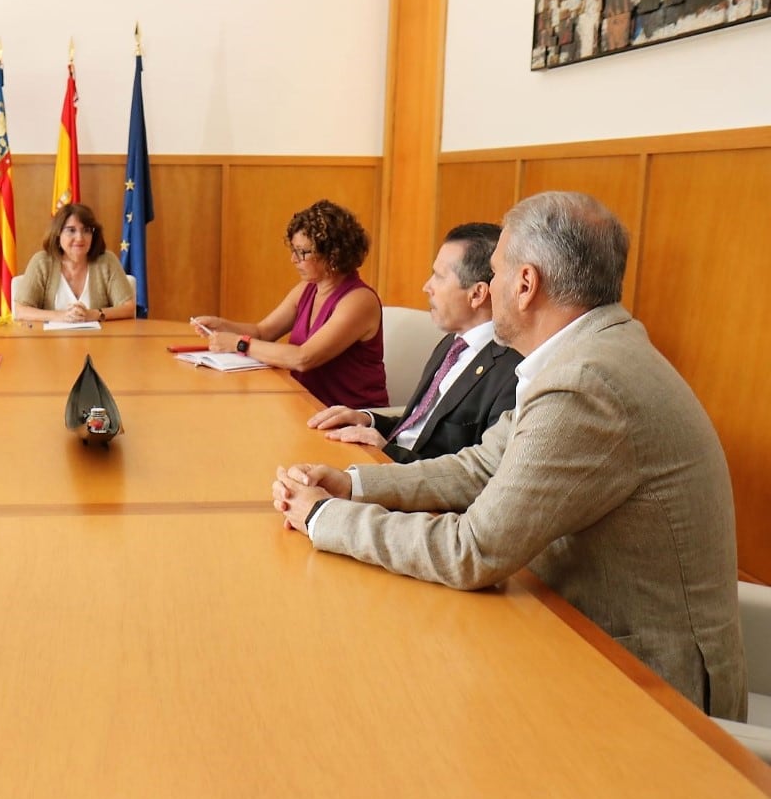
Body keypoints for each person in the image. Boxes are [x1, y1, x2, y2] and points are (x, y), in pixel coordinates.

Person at [272, 191, 745, 719]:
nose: (486, 289)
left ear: (525, 285)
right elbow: (480, 464)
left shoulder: (584, 383)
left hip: (644, 686)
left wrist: (324, 517)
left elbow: (471, 551)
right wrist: (353, 484)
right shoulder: (590, 351)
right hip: (575, 633)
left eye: (495, 273)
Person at [307, 223, 521, 462]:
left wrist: (388, 452)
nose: (427, 287)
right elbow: (421, 425)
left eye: (439, 277)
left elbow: (476, 474)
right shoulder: (452, 343)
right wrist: (369, 420)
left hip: (411, 485)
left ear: (477, 294)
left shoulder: (512, 371)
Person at [191, 199, 386, 408]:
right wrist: (223, 325)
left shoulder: (359, 301)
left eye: (302, 252)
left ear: (333, 254)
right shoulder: (308, 288)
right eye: (293, 250)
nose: (294, 259)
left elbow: (303, 359)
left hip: (350, 421)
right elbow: (263, 331)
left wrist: (238, 343)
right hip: (307, 409)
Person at [13, 203, 135, 323]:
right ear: (58, 233)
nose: (80, 238)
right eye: (71, 230)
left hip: (99, 341)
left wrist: (95, 314)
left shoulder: (107, 261)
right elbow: (21, 310)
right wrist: (61, 316)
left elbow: (129, 308)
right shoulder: (42, 262)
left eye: (86, 230)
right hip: (50, 341)